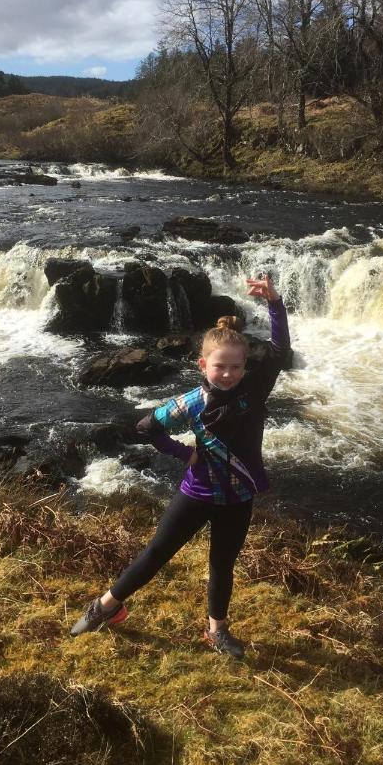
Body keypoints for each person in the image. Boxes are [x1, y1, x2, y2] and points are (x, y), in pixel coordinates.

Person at [70, 274, 291, 658]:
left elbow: (278, 350)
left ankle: (217, 630)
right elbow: (147, 427)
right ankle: (106, 606)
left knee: (223, 565)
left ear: (244, 366)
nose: (229, 374)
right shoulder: (191, 402)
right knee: (156, 552)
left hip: (238, 497)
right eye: (221, 366)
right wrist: (182, 453)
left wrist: (275, 304)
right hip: (197, 493)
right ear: (203, 364)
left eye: (236, 367)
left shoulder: (254, 389)